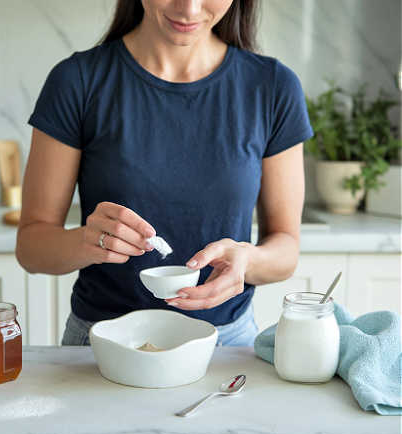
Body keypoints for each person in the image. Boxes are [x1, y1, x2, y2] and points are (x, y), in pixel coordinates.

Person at [16, 0, 313, 347]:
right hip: (101, 345)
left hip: (228, 347)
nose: (188, 9)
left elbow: (286, 249)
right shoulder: (77, 81)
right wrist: (88, 241)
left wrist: (248, 261)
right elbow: (31, 247)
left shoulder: (273, 87)